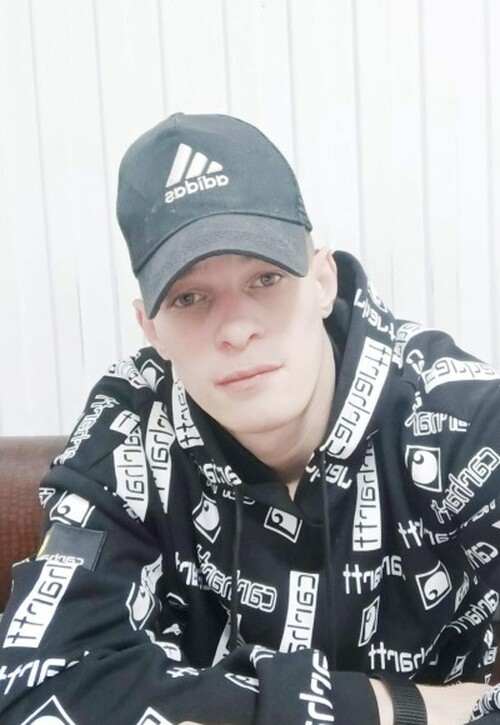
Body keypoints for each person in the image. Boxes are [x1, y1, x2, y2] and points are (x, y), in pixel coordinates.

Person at [1, 112, 500, 725]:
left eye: (265, 277)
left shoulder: (456, 418)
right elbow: (35, 687)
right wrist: (396, 707)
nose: (236, 329)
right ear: (151, 327)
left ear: (323, 281)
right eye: (189, 297)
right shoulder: (127, 425)